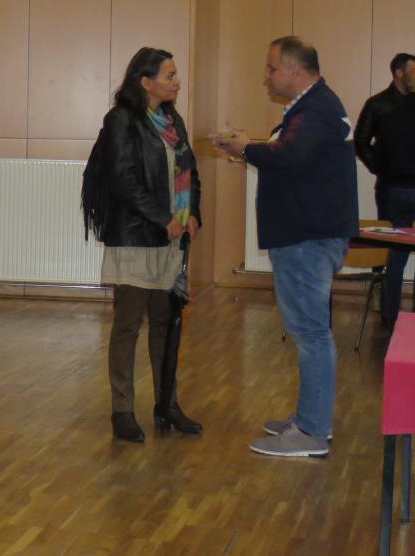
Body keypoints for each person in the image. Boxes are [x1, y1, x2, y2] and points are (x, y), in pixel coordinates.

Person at [214, 36, 357, 458]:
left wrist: (246, 148)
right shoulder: (313, 107)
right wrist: (250, 147)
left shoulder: (316, 109)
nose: (266, 76)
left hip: (306, 237)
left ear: (295, 70)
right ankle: (310, 419)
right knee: (309, 331)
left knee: (311, 333)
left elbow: (289, 156)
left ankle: (312, 432)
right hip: (306, 235)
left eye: (271, 68)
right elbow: (290, 154)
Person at [82, 48, 203, 443]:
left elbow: (190, 172)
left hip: (171, 239)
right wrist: (161, 217)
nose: (177, 81)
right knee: (128, 325)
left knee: (165, 324)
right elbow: (122, 178)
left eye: (176, 74)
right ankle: (122, 410)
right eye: (170, 75)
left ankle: (167, 403)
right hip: (135, 238)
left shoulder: (172, 120)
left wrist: (192, 212)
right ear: (146, 82)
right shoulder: (121, 120)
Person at [353, 52, 415, 326]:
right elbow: (361, 141)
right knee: (394, 255)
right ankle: (391, 318)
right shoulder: (377, 104)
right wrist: (379, 167)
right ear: (399, 73)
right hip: (393, 190)